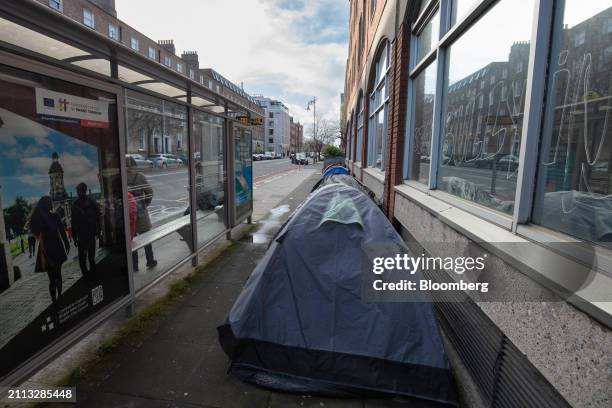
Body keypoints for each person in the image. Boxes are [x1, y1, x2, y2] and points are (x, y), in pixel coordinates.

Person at [30, 196, 70, 305]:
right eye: (49, 203)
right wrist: (66, 244)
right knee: (57, 275)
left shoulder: (39, 218)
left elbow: (36, 232)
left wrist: (66, 243)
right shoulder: (54, 216)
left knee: (52, 277)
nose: (50, 204)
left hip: (46, 248)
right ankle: (59, 296)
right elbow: (61, 231)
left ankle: (55, 299)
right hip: (55, 248)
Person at [126, 156, 157, 271]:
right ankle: (150, 261)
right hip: (140, 212)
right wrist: (145, 204)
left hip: (128, 214)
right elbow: (150, 193)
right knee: (146, 238)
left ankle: (134, 266)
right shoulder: (140, 176)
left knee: (132, 239)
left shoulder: (121, 177)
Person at [71, 183, 101, 278]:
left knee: (84, 258)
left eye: (79, 191)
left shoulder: (76, 204)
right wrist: (98, 229)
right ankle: (92, 274)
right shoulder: (91, 201)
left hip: (83, 234)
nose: (78, 193)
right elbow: (98, 217)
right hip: (88, 233)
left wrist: (74, 237)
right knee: (89, 257)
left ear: (82, 191)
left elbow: (74, 222)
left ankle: (87, 275)